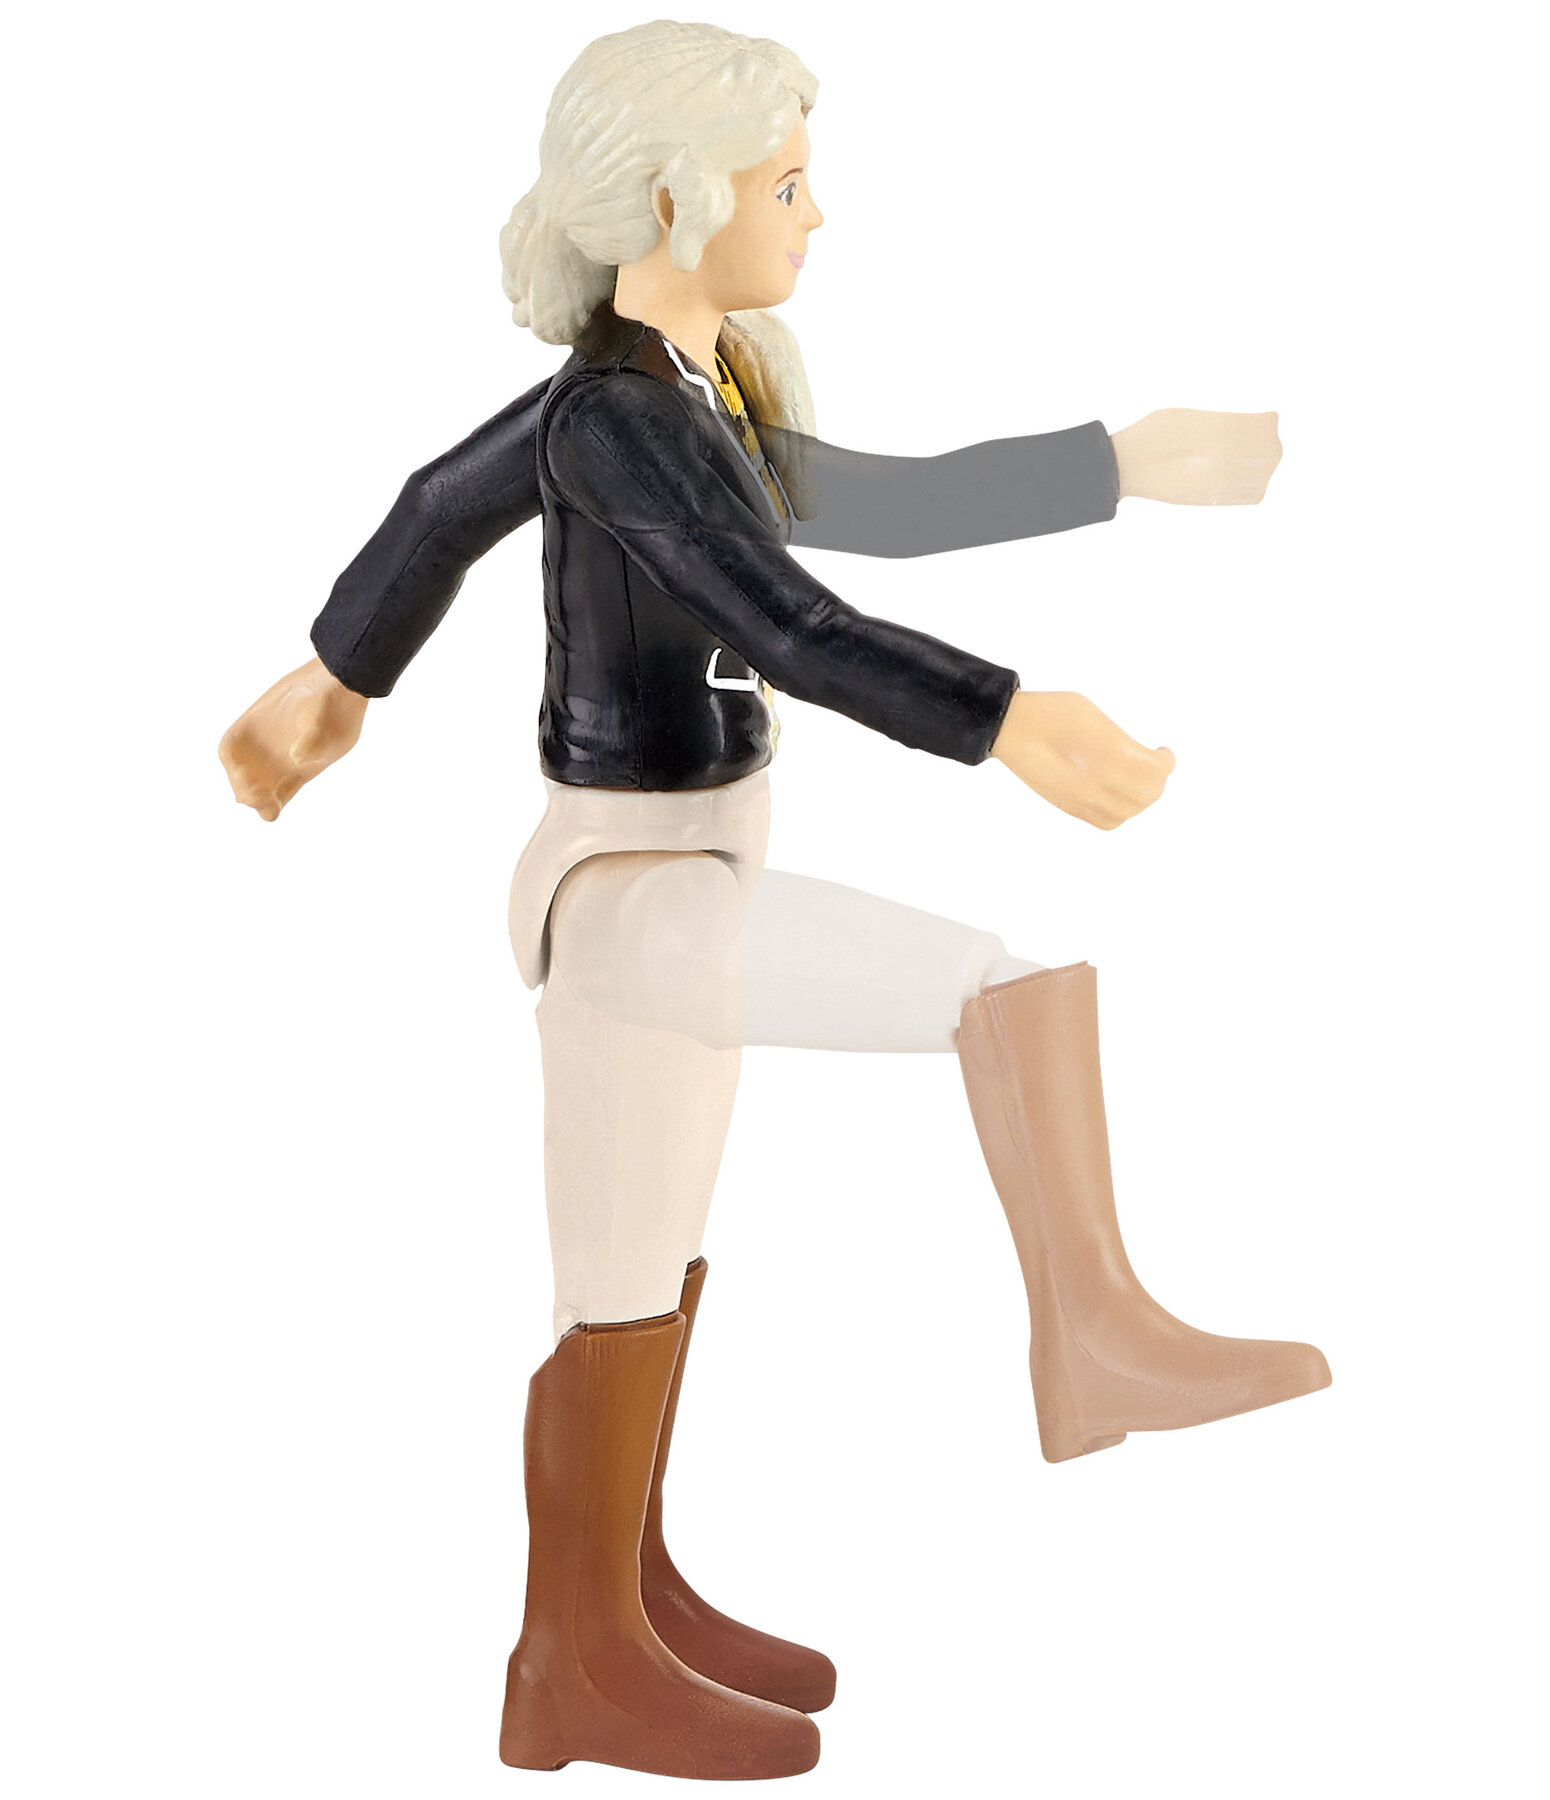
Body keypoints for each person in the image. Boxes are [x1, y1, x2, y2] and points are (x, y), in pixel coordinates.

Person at [219, 20, 1329, 1781]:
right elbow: (788, 624)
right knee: (993, 987)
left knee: (634, 1281)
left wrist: (1124, 461)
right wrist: (1005, 719)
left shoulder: (699, 392)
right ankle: (1087, 1341)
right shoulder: (619, 422)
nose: (819, 217)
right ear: (676, 197)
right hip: (627, 898)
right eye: (791, 186)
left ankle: (608, 1622)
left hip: (688, 863)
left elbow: (866, 507)